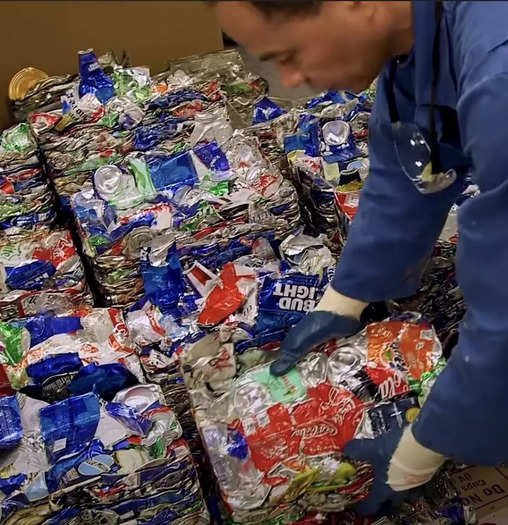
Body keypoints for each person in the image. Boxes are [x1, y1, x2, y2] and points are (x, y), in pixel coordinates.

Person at [214, 0, 508, 516]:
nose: (290, 78)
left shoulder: (499, 68)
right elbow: (411, 167)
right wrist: (345, 298)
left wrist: (427, 444)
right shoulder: (419, 38)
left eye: (288, 54)